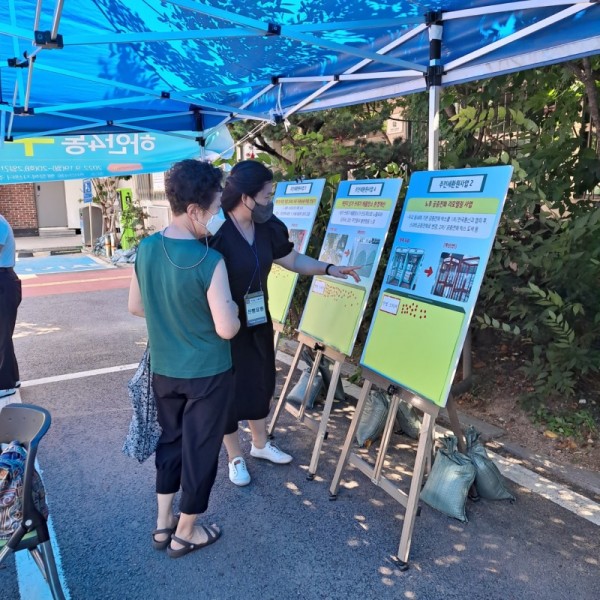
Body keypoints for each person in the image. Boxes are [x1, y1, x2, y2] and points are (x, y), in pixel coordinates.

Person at [210, 160, 361, 486]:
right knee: (229, 389)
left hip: (257, 317)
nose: (271, 202)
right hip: (225, 323)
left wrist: (329, 268)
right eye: (266, 195)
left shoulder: (266, 226)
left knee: (260, 381)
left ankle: (261, 444)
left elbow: (290, 259)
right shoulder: (215, 229)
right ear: (246, 196)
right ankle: (235, 456)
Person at [128, 160, 240, 558]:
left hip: (164, 370)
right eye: (213, 210)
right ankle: (187, 530)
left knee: (171, 442)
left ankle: (163, 525)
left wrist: (171, 313)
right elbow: (226, 328)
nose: (216, 217)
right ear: (194, 210)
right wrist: (237, 313)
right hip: (208, 372)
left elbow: (135, 306)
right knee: (202, 448)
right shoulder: (210, 261)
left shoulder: (145, 248)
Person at [0, 214, 21, 399]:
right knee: (3, 334)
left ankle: (4, 385)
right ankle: (12, 378)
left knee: (1, 335)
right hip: (4, 280)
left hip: (3, 281)